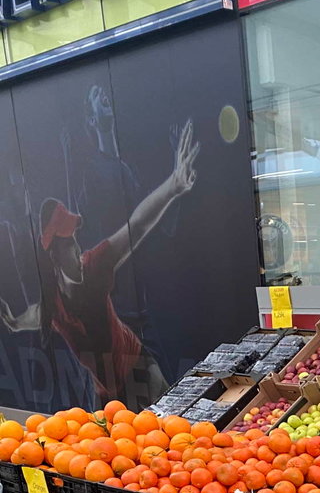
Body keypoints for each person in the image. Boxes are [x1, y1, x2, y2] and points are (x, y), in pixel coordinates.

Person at [0, 122, 199, 409]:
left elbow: (137, 226)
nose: (78, 248)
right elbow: (33, 316)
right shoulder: (53, 304)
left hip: (139, 372)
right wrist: (13, 322)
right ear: (54, 257)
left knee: (169, 435)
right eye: (69, 244)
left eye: (76, 240)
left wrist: (173, 186)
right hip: (106, 393)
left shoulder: (94, 265)